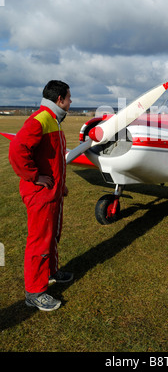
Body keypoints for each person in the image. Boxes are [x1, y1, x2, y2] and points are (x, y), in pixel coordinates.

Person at [9, 80, 73, 311]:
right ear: (60, 100)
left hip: (52, 192)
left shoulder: (52, 120)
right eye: (69, 97)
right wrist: (34, 177)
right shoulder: (40, 120)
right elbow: (17, 150)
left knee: (53, 235)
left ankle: (52, 272)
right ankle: (35, 292)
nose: (71, 101)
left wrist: (60, 185)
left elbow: (52, 158)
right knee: (39, 241)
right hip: (40, 194)